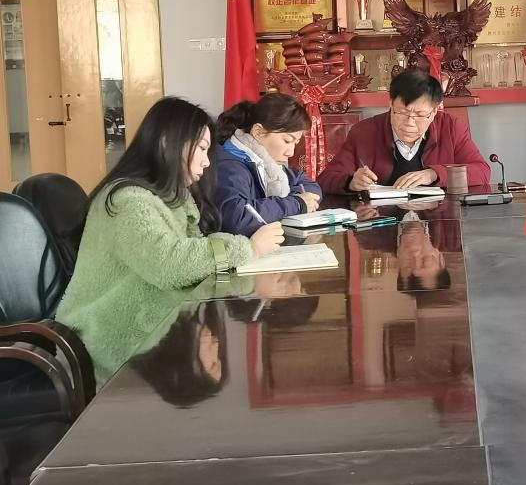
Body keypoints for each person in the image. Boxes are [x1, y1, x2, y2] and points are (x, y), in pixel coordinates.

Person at [56, 97, 284, 352]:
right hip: (111, 337)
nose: (207, 162)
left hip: (150, 326)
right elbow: (168, 264)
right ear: (167, 142)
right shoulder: (127, 200)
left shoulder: (172, 198)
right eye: (201, 148)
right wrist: (249, 249)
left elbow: (191, 251)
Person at [318, 69, 489, 193]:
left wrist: (434, 174)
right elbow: (326, 179)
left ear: (434, 111)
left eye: (420, 115)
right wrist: (351, 182)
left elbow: (482, 172)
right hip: (381, 223)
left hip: (438, 222)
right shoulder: (364, 131)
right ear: (391, 104)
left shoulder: (451, 128)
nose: (409, 123)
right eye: (402, 113)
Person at [215, 93, 322, 236]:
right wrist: (296, 204)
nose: (290, 152)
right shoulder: (230, 166)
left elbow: (308, 184)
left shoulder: (267, 163)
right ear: (258, 132)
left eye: (295, 143)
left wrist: (299, 198)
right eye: (287, 141)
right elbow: (236, 218)